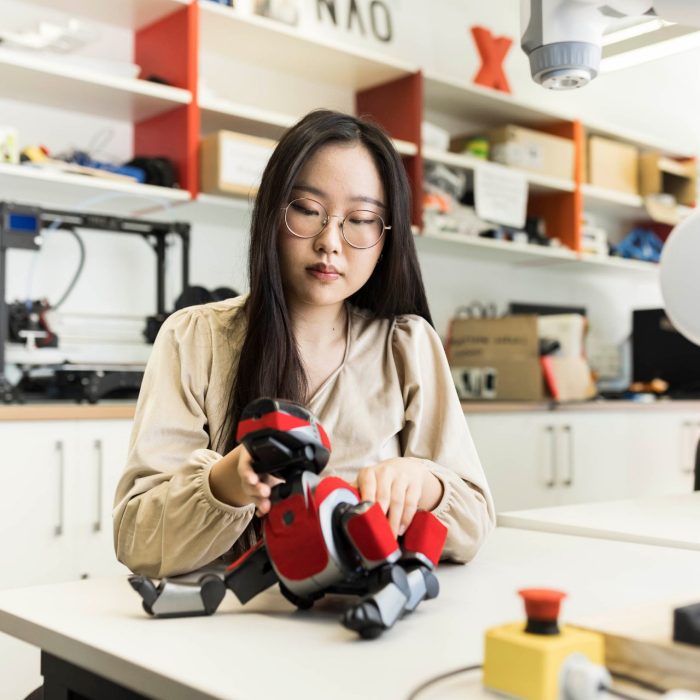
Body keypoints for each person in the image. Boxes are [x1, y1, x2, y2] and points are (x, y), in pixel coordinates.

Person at [113, 109, 495, 580]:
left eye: (360, 219)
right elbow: (135, 538)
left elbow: (475, 520)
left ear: (386, 236)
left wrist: (427, 484)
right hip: (227, 629)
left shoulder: (408, 345)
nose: (330, 242)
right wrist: (227, 483)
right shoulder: (195, 338)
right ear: (273, 213)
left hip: (359, 624)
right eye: (308, 211)